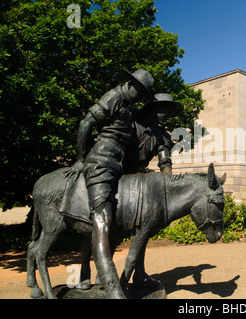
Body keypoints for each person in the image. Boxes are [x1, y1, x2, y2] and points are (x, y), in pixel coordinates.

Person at [67, 69, 156, 299]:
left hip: (117, 167)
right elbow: (87, 122)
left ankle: (96, 274)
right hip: (101, 164)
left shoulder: (128, 107)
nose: (140, 97)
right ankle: (112, 288)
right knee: (103, 222)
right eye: (140, 91)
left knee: (116, 222)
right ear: (130, 83)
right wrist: (80, 159)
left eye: (144, 94)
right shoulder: (114, 97)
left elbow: (145, 121)